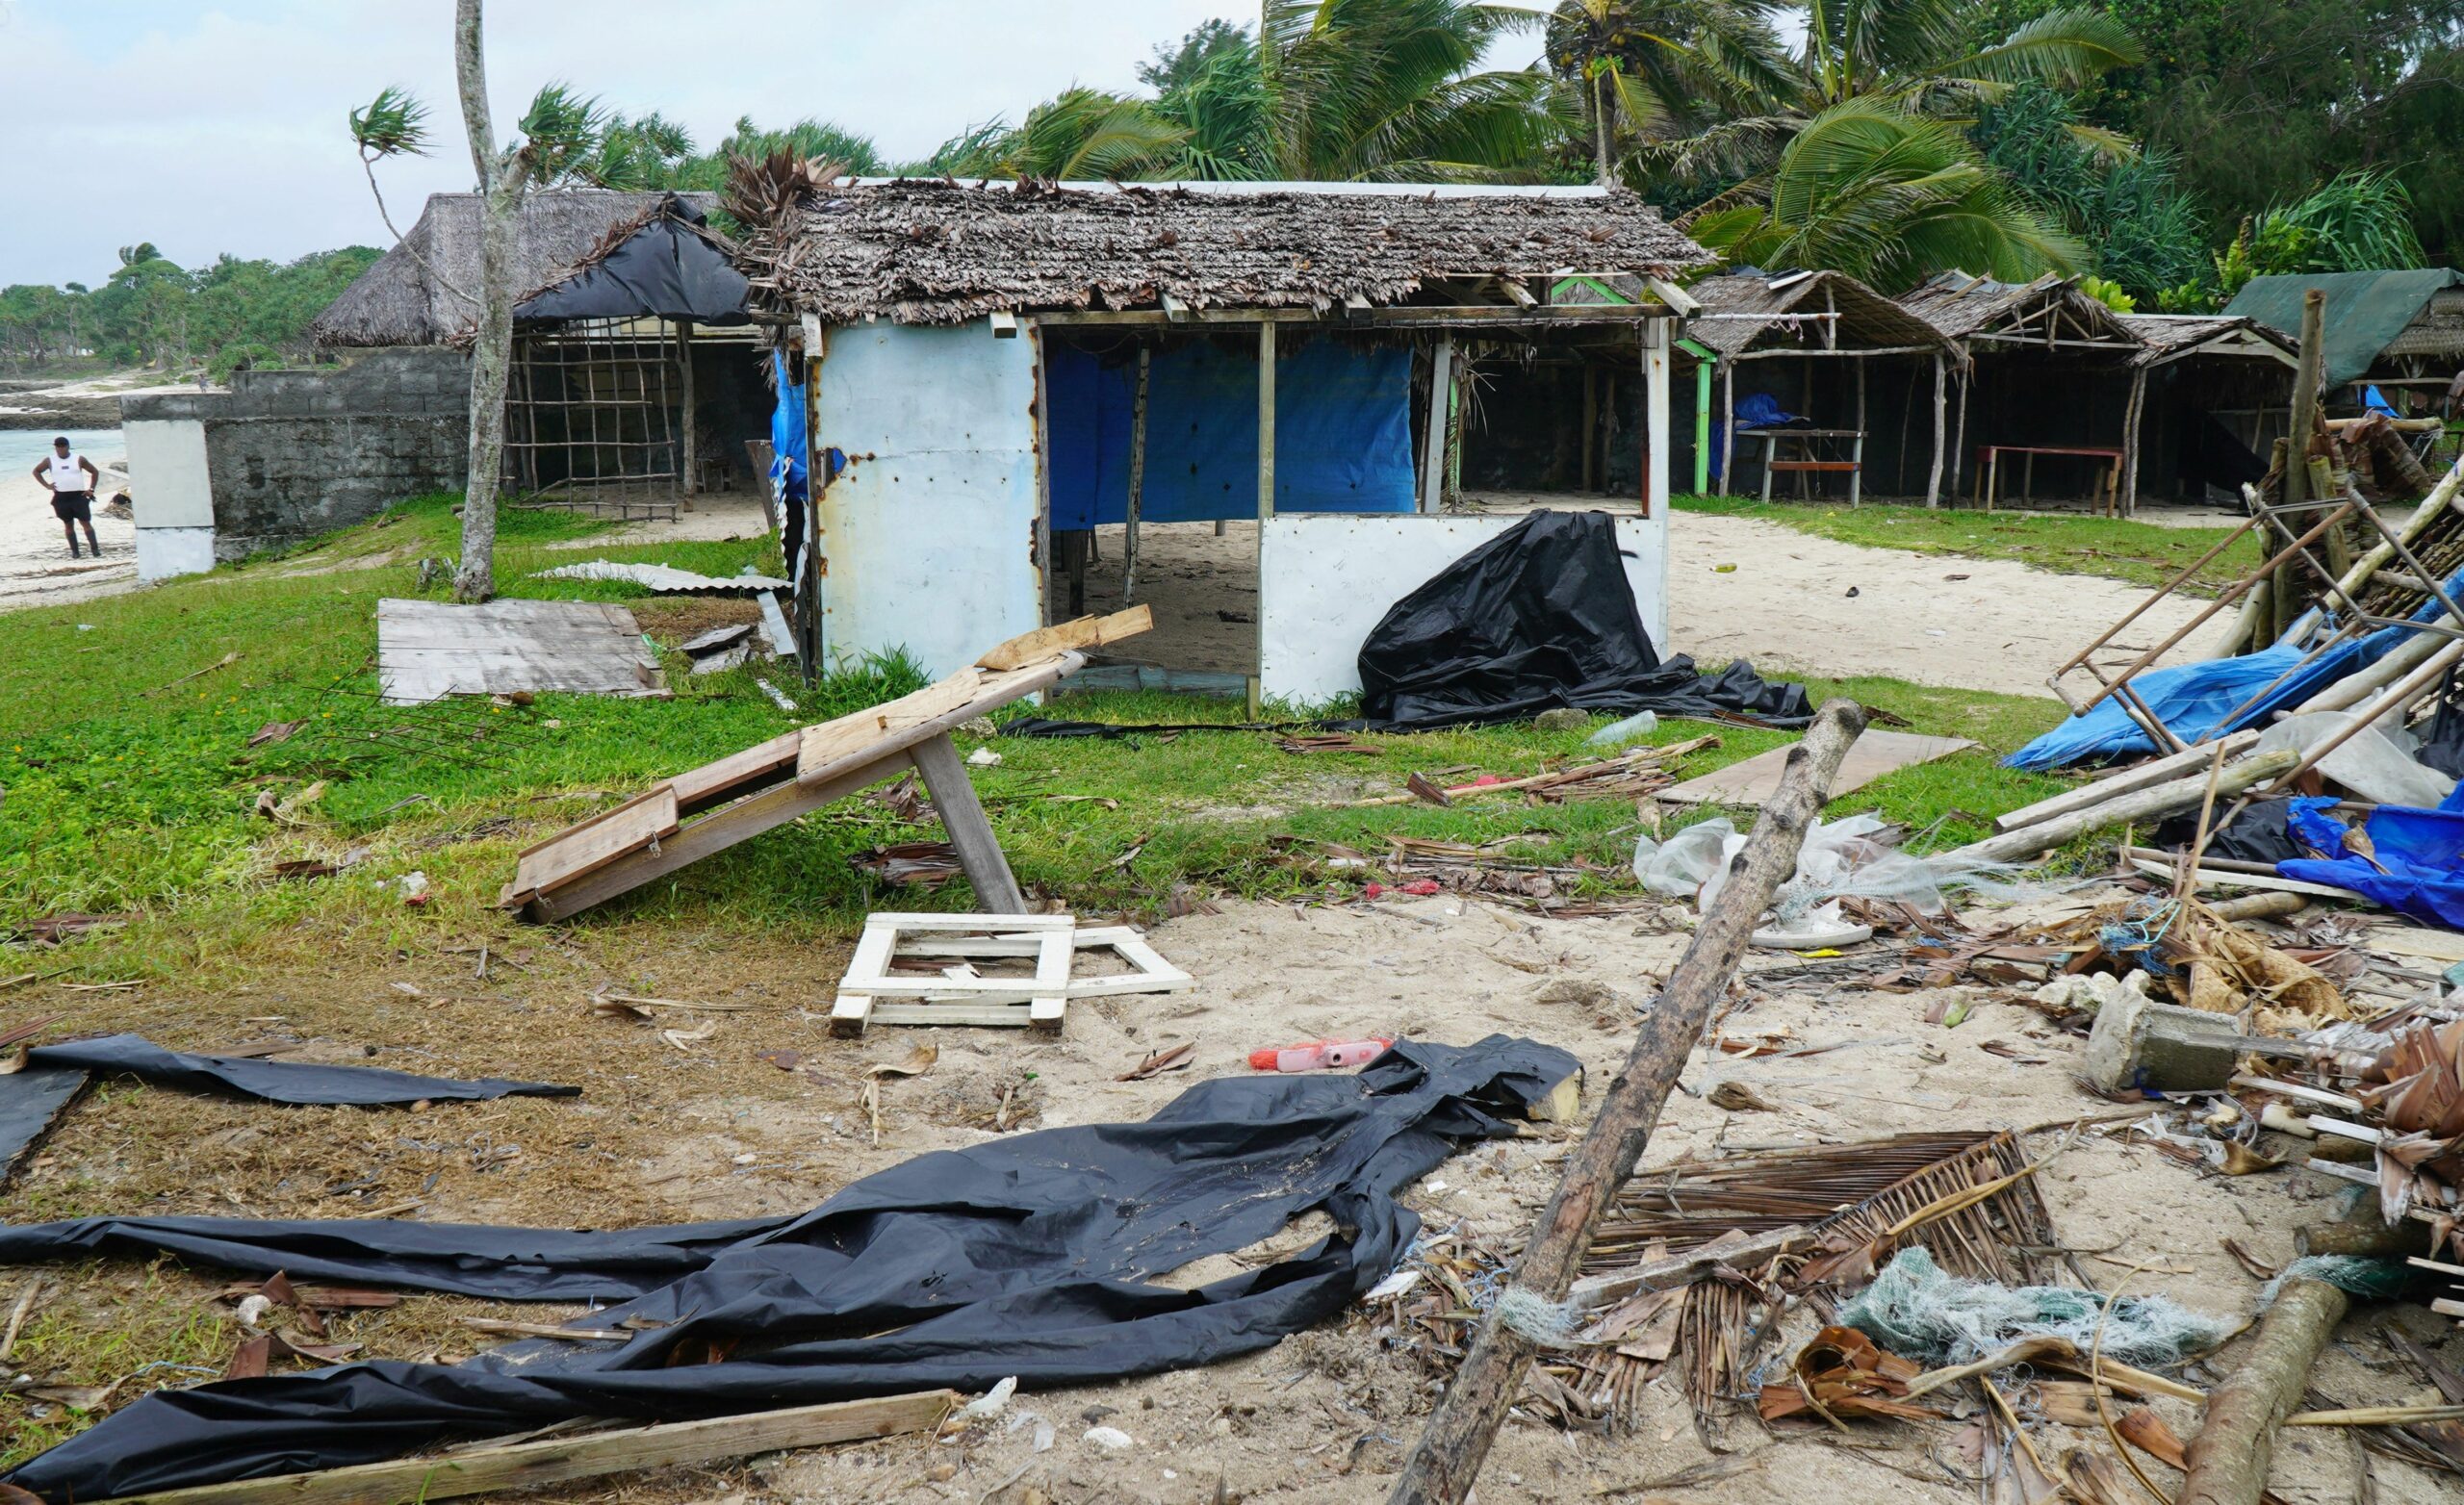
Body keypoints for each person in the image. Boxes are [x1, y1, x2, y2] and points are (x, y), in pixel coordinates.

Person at [33, 436, 101, 559]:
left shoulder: (78, 459)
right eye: (58, 446)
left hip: (78, 495)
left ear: (68, 446)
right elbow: (36, 471)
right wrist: (47, 485)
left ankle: (95, 550)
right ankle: (75, 552)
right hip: (61, 497)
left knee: (86, 523)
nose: (60, 449)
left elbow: (94, 471)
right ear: (55, 447)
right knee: (68, 524)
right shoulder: (49, 460)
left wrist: (91, 489)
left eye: (63, 446)